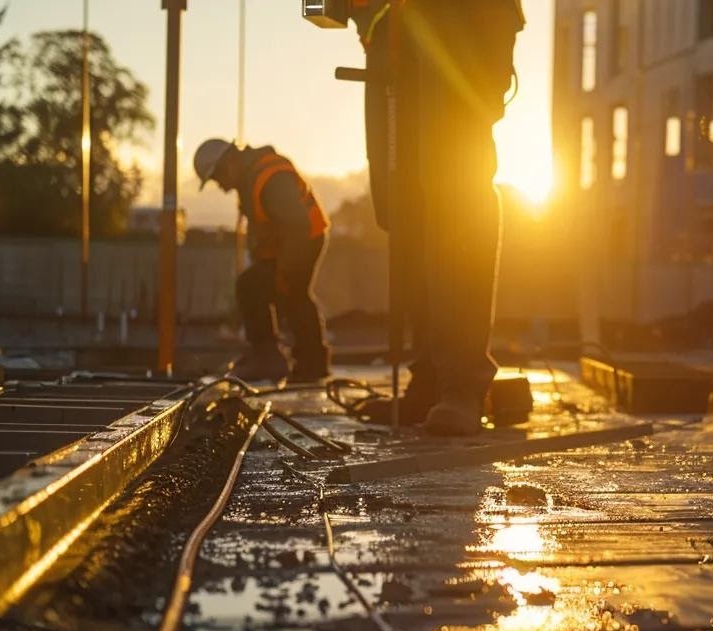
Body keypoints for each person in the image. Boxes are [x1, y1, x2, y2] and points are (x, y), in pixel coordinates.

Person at [355, 0, 525, 436]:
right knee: (403, 211)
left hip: (459, 27)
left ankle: (462, 387)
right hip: (399, 35)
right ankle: (428, 381)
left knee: (455, 203)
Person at [193, 139, 332, 383]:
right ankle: (284, 359)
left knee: (292, 292)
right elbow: (265, 230)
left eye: (218, 178)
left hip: (303, 239)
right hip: (290, 242)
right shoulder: (250, 179)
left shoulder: (270, 178)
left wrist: (285, 270)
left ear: (230, 162)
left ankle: (303, 363)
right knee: (256, 286)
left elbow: (296, 225)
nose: (222, 187)